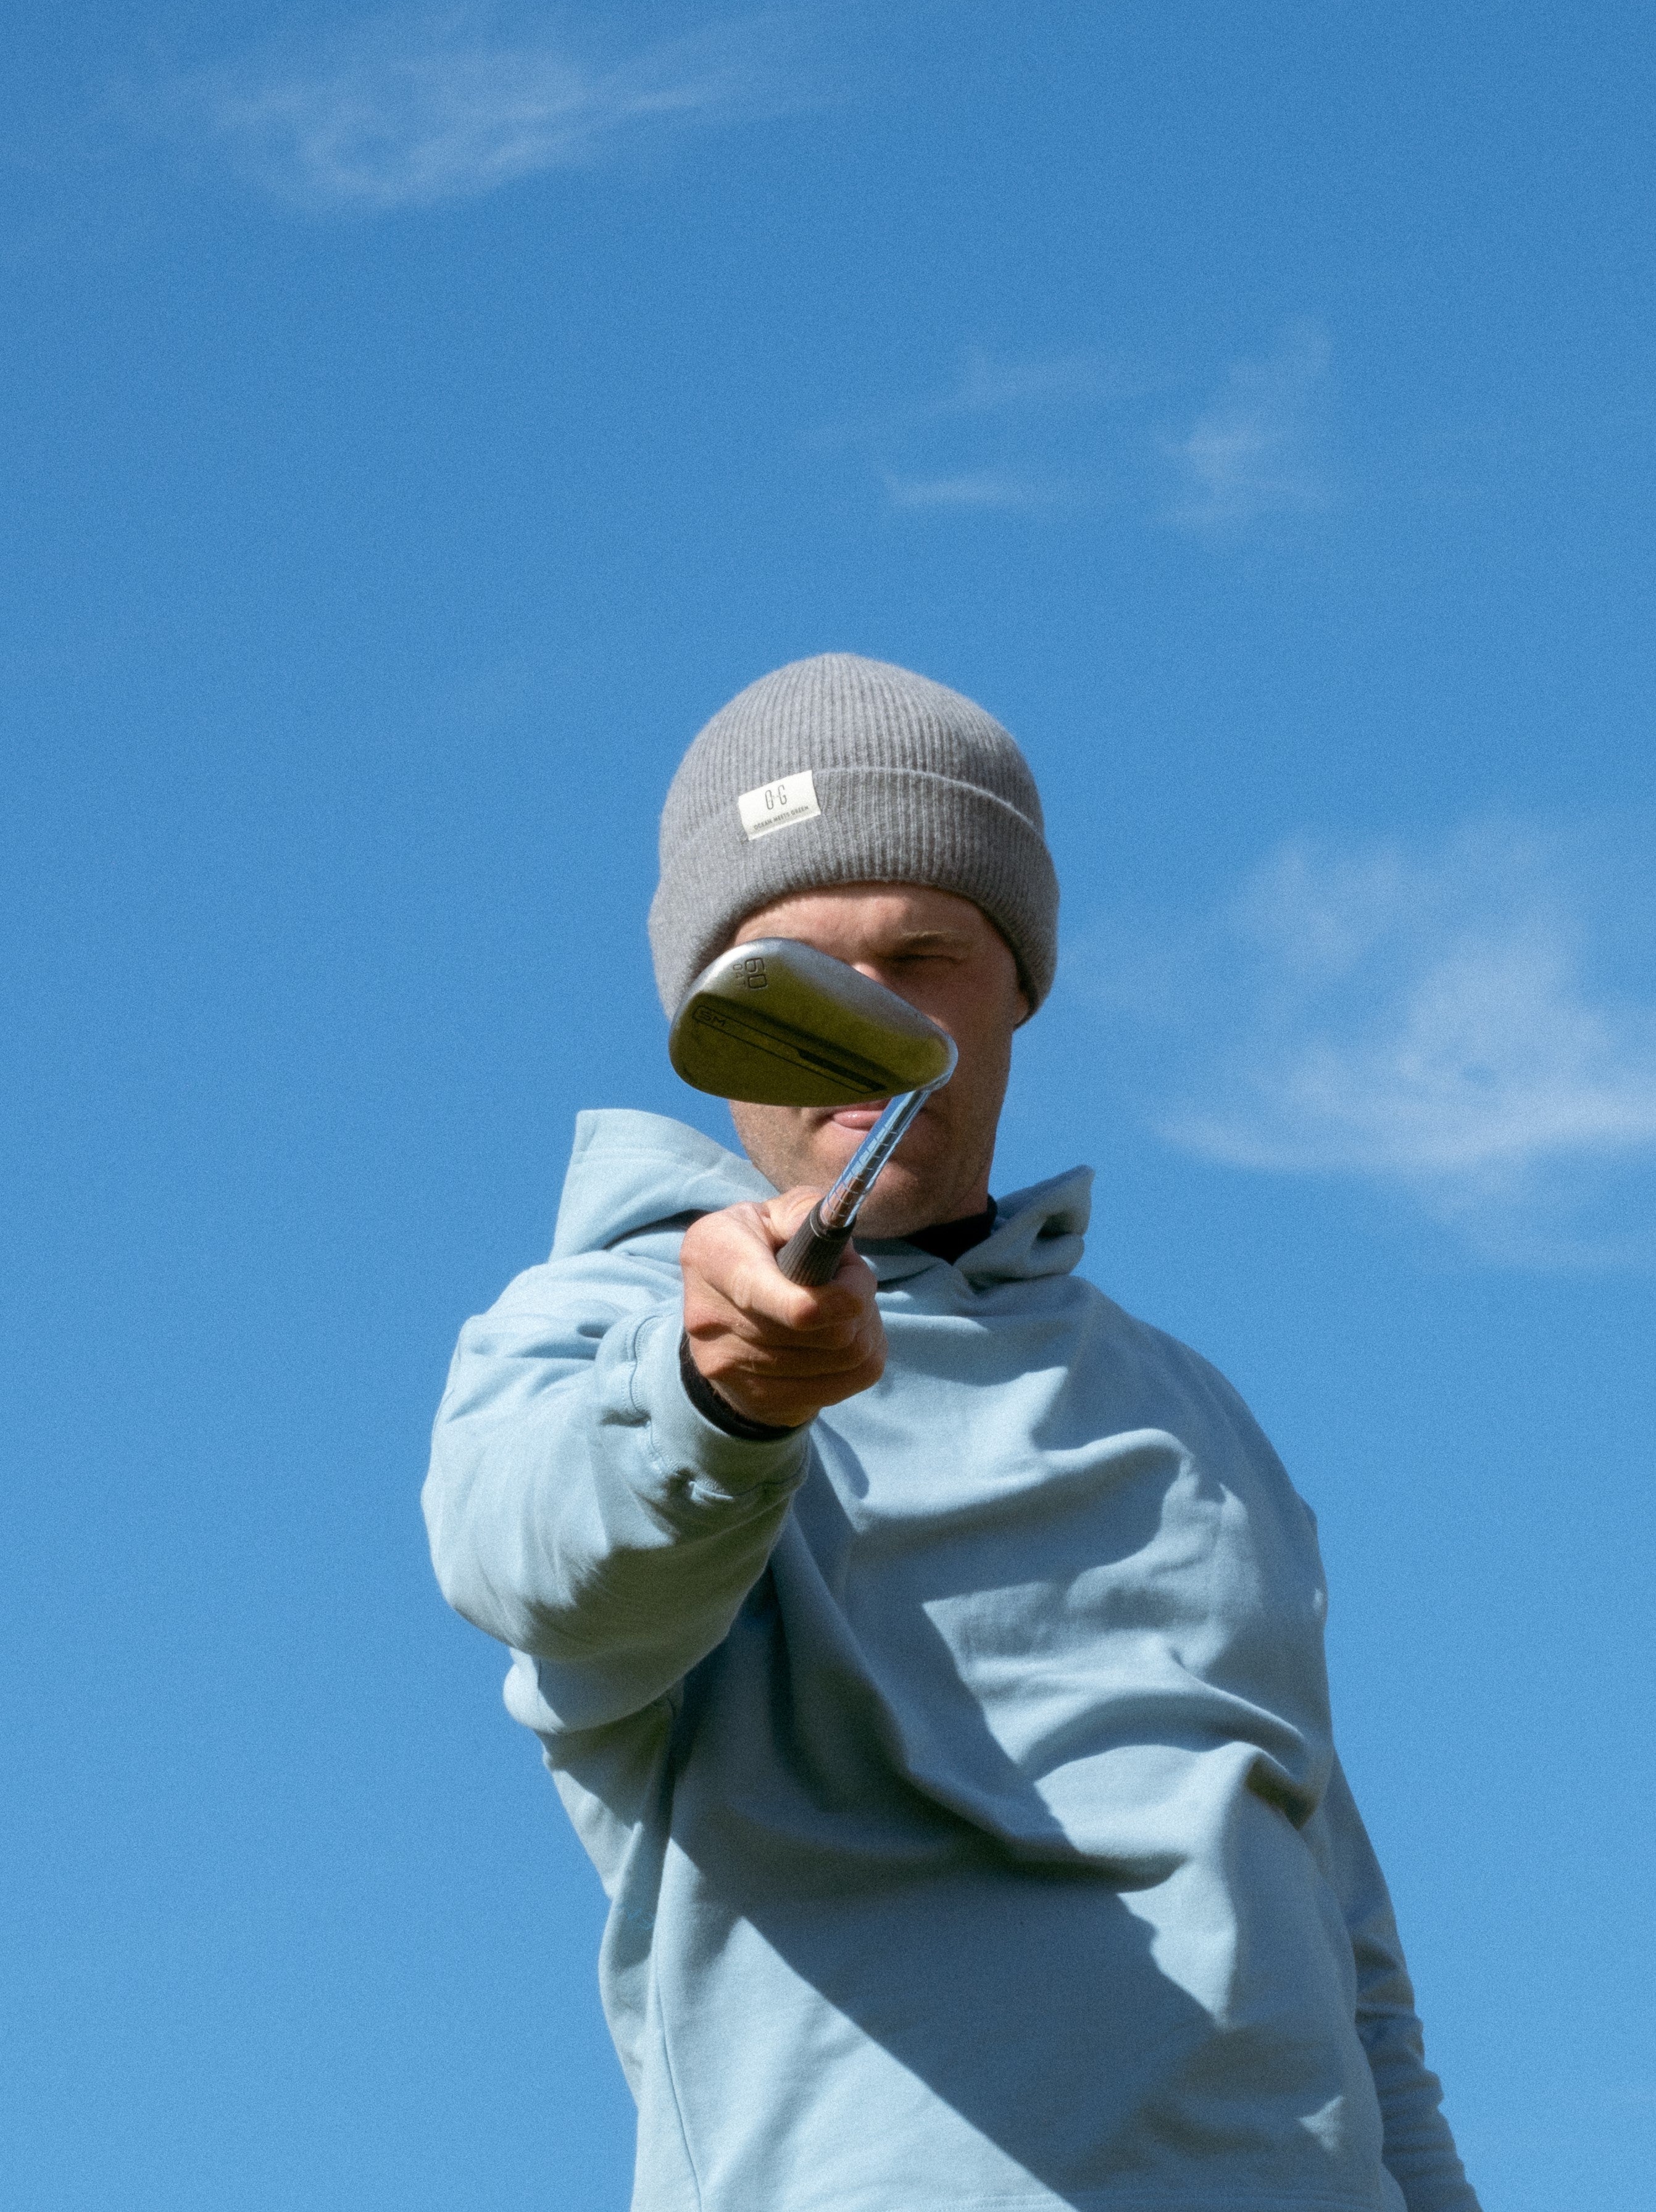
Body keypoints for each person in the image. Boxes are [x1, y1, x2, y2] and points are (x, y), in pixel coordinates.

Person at [423, 653, 1481, 2212]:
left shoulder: (1196, 1415)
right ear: (709, 1014)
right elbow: (552, 1565)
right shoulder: (589, 1329)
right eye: (795, 969)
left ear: (1017, 988)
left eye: (925, 954)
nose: (869, 1015)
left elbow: (1339, 1945)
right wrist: (727, 1393)